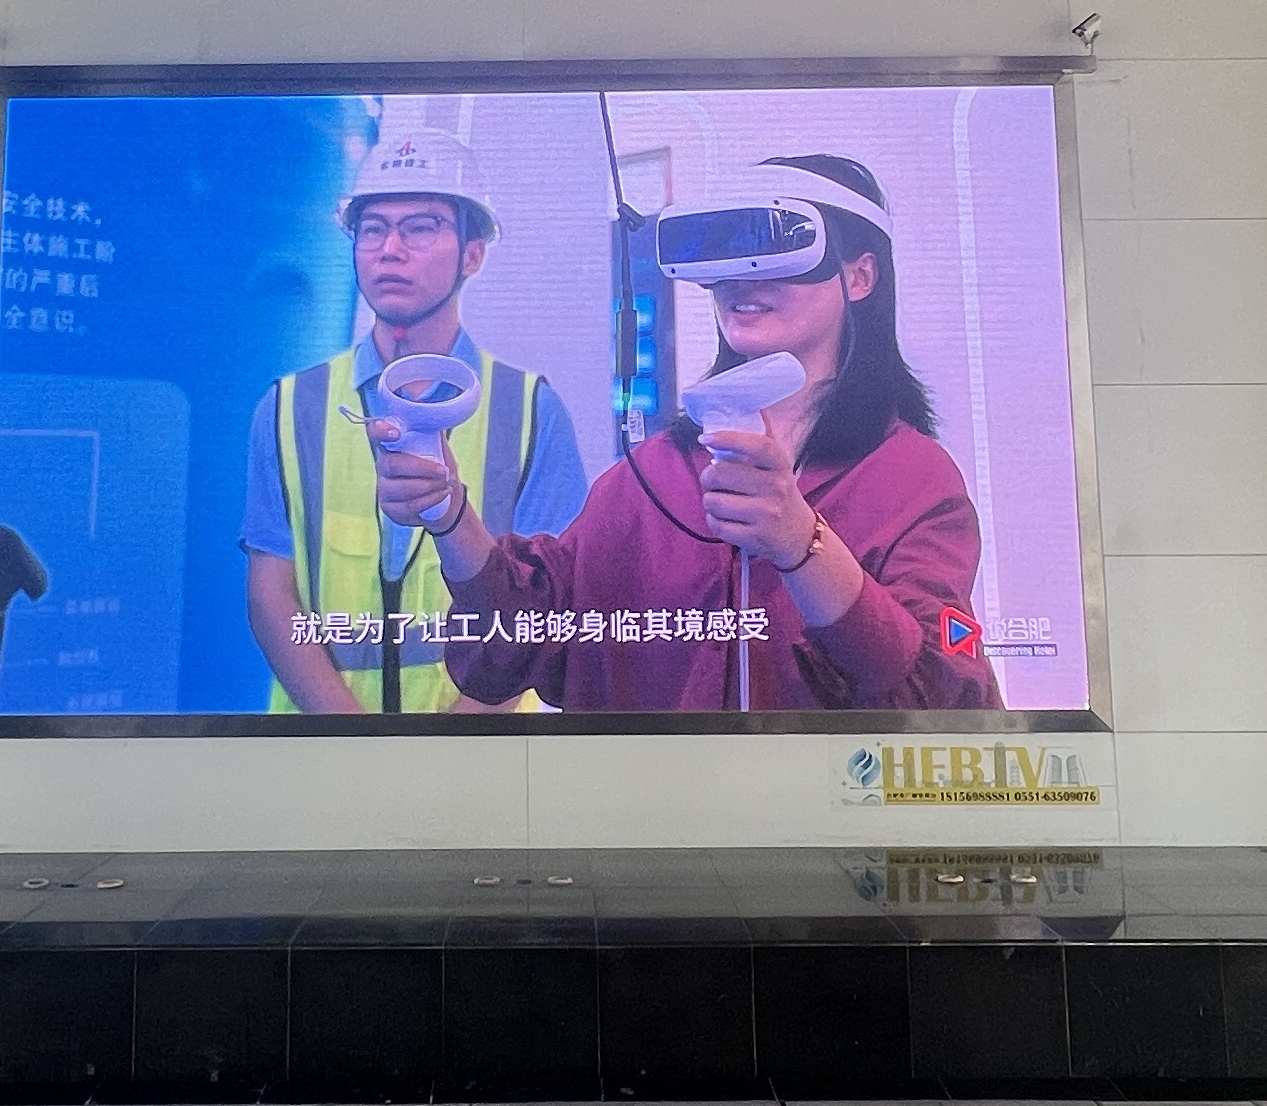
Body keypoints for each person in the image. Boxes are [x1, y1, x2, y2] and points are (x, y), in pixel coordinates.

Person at [402, 154, 1003, 713]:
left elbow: (936, 697)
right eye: (726, 254)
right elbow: (512, 648)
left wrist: (802, 544)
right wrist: (450, 515)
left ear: (860, 276)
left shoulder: (911, 478)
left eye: (777, 247)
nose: (743, 280)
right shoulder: (654, 476)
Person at [245, 125, 588, 713]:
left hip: (486, 754)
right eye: (372, 229)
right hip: (322, 751)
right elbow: (271, 595)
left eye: (421, 227)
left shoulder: (532, 408)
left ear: (473, 254)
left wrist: (452, 748)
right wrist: (356, 740)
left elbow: (551, 606)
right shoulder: (287, 406)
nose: (390, 249)